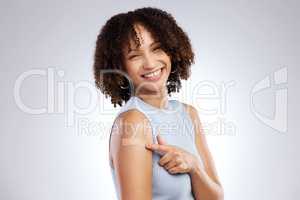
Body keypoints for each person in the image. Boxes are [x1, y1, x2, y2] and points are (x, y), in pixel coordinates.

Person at [93, 7, 224, 200]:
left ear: (172, 50)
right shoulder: (133, 122)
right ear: (119, 67)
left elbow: (216, 197)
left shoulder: (188, 114)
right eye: (135, 56)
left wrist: (194, 167)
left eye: (157, 48)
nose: (150, 63)